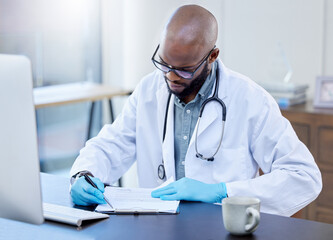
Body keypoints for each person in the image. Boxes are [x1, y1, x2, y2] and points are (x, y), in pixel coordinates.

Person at [70, 4, 322, 216]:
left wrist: (224, 191)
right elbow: (111, 145)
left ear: (212, 56)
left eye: (184, 69)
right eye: (164, 63)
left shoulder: (250, 100)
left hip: (219, 227)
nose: (170, 76)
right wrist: (85, 173)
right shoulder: (149, 90)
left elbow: (304, 177)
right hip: (157, 226)